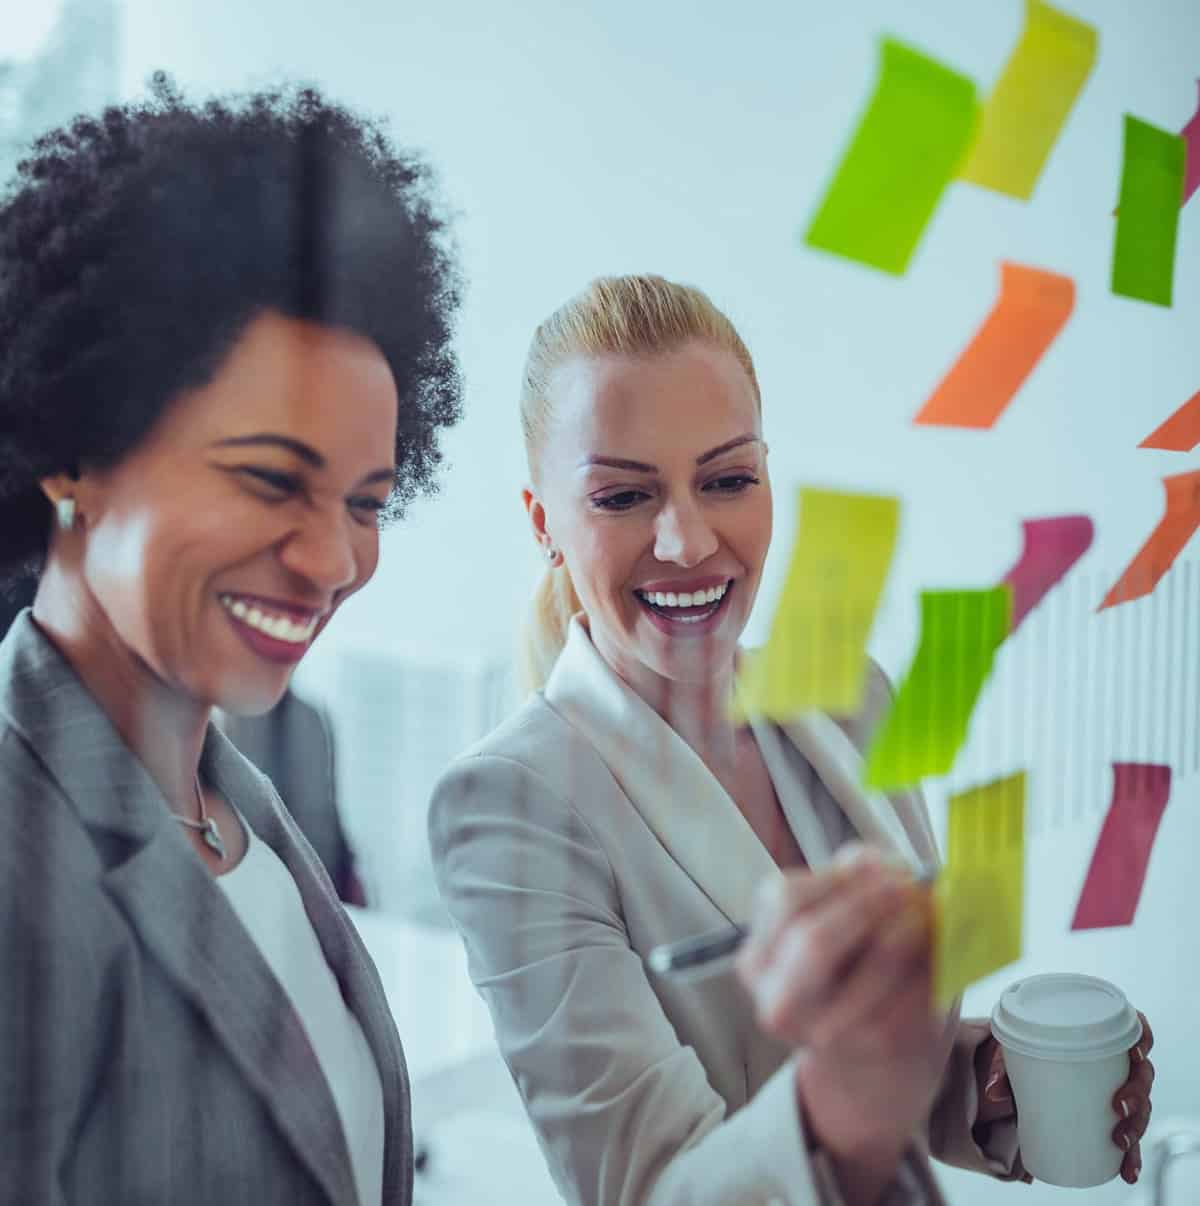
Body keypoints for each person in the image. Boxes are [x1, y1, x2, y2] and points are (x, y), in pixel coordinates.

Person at [428, 275, 1155, 1205]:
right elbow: (648, 1185)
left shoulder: (852, 698)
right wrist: (852, 1088)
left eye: (728, 480)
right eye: (623, 496)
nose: (688, 541)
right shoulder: (508, 804)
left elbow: (888, 1069)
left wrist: (986, 1086)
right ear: (545, 523)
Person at [0, 75, 461, 1205]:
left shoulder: (245, 792)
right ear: (74, 450)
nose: (332, 560)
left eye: (366, 504)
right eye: (269, 480)